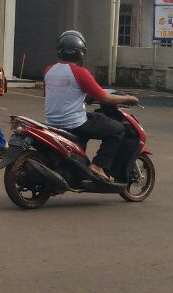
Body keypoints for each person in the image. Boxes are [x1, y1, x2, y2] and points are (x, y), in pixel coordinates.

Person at [43, 30, 141, 183]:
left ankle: (79, 167)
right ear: (80, 52)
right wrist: (129, 99)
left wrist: (82, 96)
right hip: (75, 123)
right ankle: (99, 166)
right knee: (117, 129)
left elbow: (56, 93)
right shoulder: (80, 73)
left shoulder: (48, 70)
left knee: (96, 120)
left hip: (52, 122)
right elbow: (105, 98)